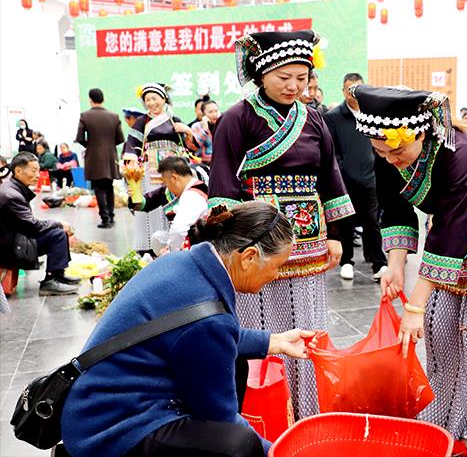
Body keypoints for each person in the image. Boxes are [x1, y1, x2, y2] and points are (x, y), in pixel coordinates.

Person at [351, 84, 467, 456]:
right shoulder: (387, 149)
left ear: (421, 132)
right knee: (440, 333)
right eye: (380, 151)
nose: (390, 158)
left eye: (397, 150)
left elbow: (450, 230)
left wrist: (414, 307)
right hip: (449, 241)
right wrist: (395, 267)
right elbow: (395, 209)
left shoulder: (460, 152)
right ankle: (443, 415)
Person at [61, 201, 315, 457]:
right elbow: (221, 418)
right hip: (110, 431)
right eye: (277, 265)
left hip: (92, 408)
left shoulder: (186, 264)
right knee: (239, 444)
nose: (276, 275)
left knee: (236, 365)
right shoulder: (208, 314)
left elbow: (204, 340)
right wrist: (279, 452)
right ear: (249, 257)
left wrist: (274, 341)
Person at [209, 29, 354, 419]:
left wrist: (337, 236)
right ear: (261, 74)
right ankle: (264, 410)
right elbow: (223, 180)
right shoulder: (236, 119)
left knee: (307, 322)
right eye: (283, 77)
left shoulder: (314, 120)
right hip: (257, 241)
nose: (293, 86)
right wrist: (230, 245)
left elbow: (330, 175)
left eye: (301, 78)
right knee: (259, 321)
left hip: (308, 241)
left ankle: (309, 409)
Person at [323, 72, 387, 281]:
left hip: (370, 179)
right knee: (346, 222)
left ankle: (378, 262)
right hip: (344, 181)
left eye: (357, 89)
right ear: (343, 91)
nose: (353, 94)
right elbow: (331, 152)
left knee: (372, 221)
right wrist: (343, 172)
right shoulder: (333, 117)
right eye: (349, 89)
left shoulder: (373, 115)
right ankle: (347, 261)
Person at [122, 83, 191, 254]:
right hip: (151, 167)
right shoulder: (142, 121)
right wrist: (131, 161)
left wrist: (187, 131)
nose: (151, 103)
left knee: (171, 202)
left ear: (163, 98)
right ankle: (148, 245)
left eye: (154, 98)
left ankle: (172, 242)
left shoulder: (174, 119)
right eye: (147, 99)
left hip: (173, 167)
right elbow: (132, 144)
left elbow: (191, 145)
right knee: (150, 202)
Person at [0, 152, 80, 294]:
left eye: (38, 170)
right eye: (33, 170)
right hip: (9, 248)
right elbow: (33, 227)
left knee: (57, 231)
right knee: (57, 234)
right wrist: (59, 224)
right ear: (18, 171)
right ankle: (50, 281)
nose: (38, 175)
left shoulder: (12, 189)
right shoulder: (11, 195)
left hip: (11, 239)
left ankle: (58, 275)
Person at [128, 156, 208, 255]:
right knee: (158, 237)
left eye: (166, 183)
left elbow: (178, 230)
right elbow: (150, 201)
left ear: (174, 178)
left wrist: (171, 253)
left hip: (199, 247)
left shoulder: (191, 195)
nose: (167, 188)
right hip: (195, 243)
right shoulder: (193, 186)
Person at [75, 88, 125, 228]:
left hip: (94, 157)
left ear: (90, 99)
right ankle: (111, 215)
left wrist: (90, 145)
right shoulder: (114, 116)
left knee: (98, 188)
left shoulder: (85, 116)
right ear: (103, 99)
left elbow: (79, 138)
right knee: (108, 187)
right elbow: (120, 138)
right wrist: (108, 145)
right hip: (110, 156)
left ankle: (105, 219)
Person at [186, 99, 220, 164]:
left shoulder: (222, 125)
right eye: (210, 112)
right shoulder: (196, 126)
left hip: (220, 163)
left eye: (216, 111)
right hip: (202, 164)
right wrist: (204, 129)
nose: (214, 114)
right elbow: (196, 146)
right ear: (203, 114)